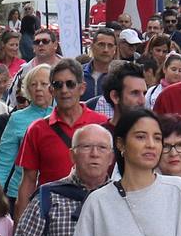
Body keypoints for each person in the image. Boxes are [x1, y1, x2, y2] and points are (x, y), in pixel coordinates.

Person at [14, 58, 110, 217]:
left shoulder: (101, 124)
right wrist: (21, 226)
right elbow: (28, 181)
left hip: (98, 210)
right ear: (52, 90)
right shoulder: (37, 129)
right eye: (58, 85)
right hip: (53, 215)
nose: (64, 90)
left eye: (70, 84)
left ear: (82, 88)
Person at [0, 64, 53, 199]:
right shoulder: (17, 118)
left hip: (55, 192)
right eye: (33, 84)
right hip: (19, 192)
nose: (38, 89)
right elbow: (3, 160)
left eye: (44, 84)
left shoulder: (62, 114)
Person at [7, 28, 61, 108]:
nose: (41, 44)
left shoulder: (68, 68)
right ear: (33, 47)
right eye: (37, 42)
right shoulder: (24, 71)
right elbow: (11, 102)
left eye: (45, 41)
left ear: (55, 45)